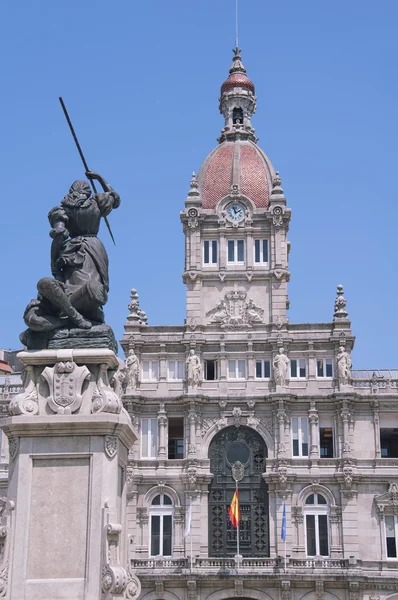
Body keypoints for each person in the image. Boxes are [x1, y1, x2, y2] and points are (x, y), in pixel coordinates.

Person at [21, 171, 120, 336]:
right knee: (91, 287)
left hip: (70, 251)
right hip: (93, 248)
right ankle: (78, 315)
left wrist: (53, 262)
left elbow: (59, 235)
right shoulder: (96, 204)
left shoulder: (62, 209)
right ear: (88, 192)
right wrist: (100, 179)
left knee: (76, 284)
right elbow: (115, 198)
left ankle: (70, 314)